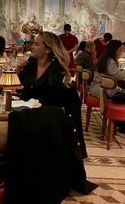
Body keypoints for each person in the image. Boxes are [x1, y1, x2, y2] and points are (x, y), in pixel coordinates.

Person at [16, 31, 88, 159]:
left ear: (48, 49)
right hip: (28, 116)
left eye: (37, 44)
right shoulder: (29, 66)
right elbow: (20, 90)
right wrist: (18, 72)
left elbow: (61, 102)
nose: (32, 47)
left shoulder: (57, 70)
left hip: (48, 123)